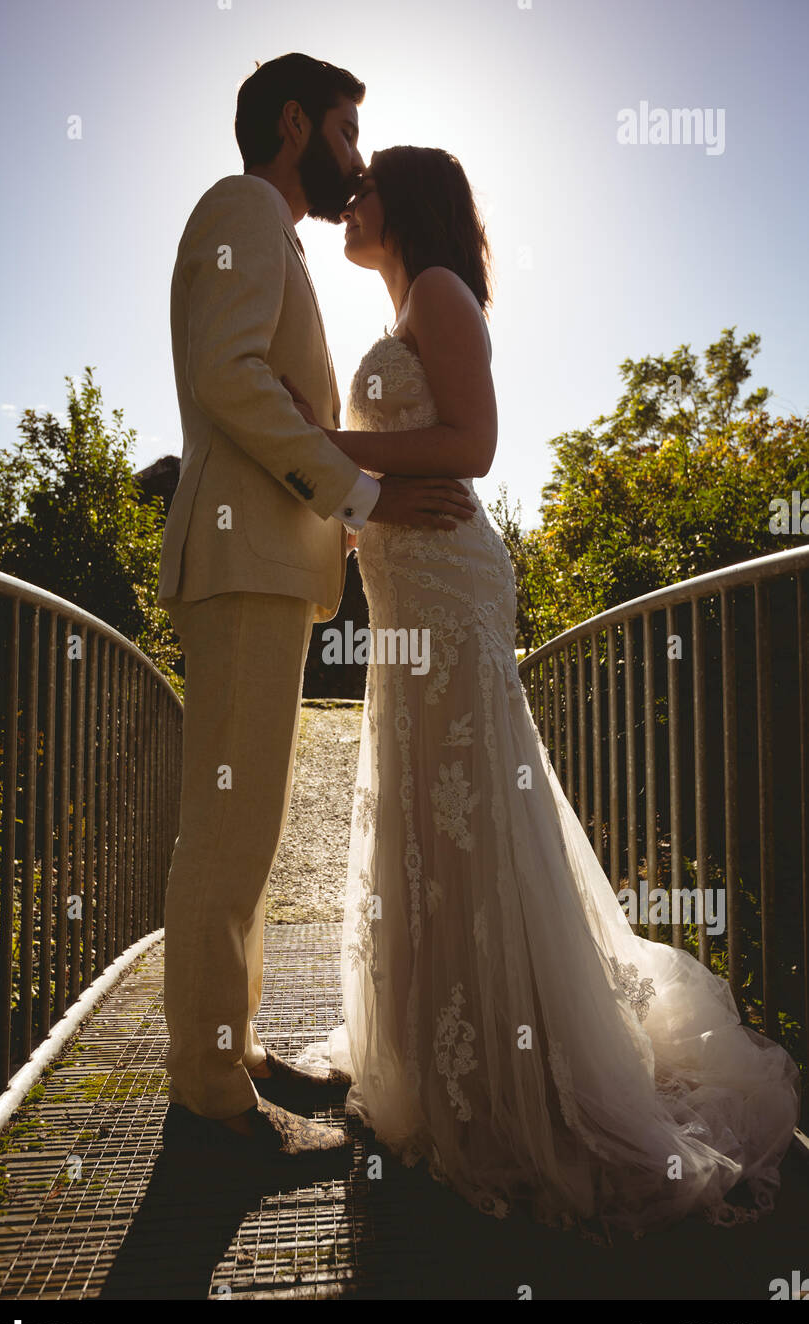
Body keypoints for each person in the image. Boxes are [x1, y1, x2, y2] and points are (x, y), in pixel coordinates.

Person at [287, 145, 801, 1238]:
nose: (354, 197)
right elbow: (396, 461)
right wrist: (348, 506)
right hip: (403, 581)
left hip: (448, 582)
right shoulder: (399, 306)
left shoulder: (435, 291)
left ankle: (524, 1076)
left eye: (370, 183)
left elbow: (472, 444)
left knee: (470, 811)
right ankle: (438, 1054)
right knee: (428, 812)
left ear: (410, 203)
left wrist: (317, 453)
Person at [157, 57, 477, 1164]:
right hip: (241, 564)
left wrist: (346, 503)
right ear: (294, 125)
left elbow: (259, 392)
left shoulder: (274, 231)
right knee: (224, 828)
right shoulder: (243, 204)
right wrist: (364, 492)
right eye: (345, 128)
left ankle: (232, 1048)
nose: (355, 152)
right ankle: (209, 1091)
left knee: (243, 826)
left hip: (268, 567)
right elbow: (227, 376)